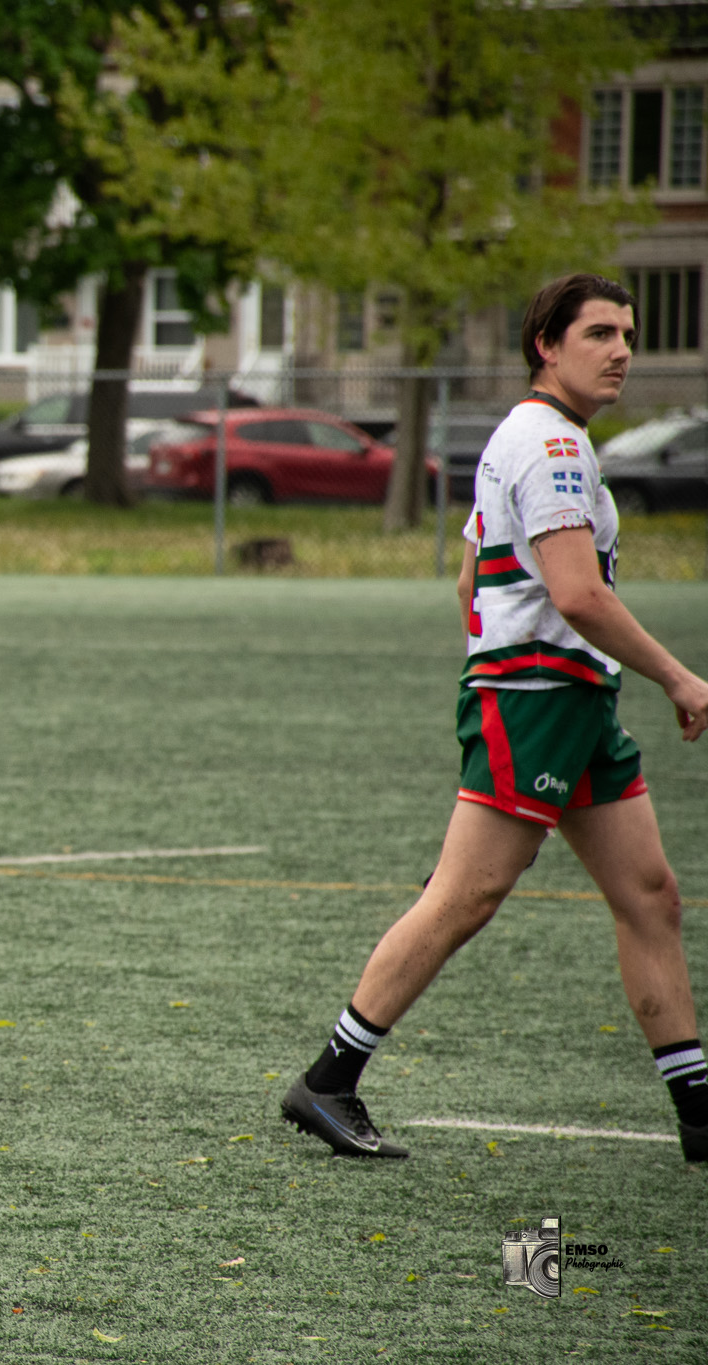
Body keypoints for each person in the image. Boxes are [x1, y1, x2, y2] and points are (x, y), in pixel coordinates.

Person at [281, 273, 708, 1162]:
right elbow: (579, 593)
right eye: (599, 332)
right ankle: (328, 1080)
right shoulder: (551, 443)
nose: (622, 348)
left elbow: (473, 574)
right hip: (540, 698)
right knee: (466, 895)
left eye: (627, 332)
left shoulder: (533, 436)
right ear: (546, 345)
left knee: (651, 897)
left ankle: (699, 1112)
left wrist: (502, 646)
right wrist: (677, 677)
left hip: (569, 697)